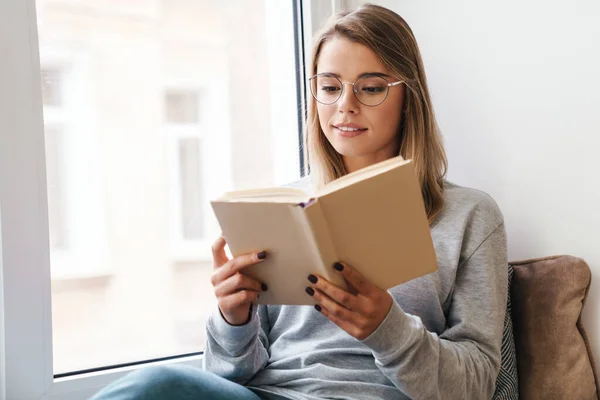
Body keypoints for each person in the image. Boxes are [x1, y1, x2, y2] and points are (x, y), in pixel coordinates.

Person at [90, 4, 511, 399]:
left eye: (370, 88)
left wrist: (388, 328)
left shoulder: (469, 215)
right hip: (269, 392)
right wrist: (233, 318)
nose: (345, 106)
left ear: (408, 96)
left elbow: (475, 386)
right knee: (155, 383)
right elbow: (227, 376)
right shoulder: (287, 208)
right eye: (329, 87)